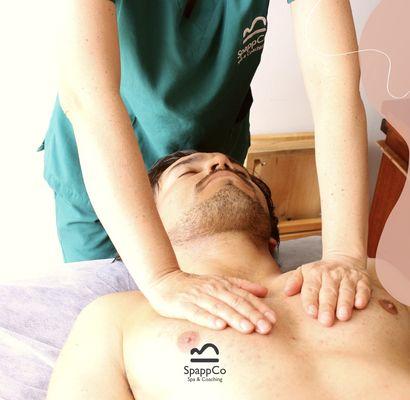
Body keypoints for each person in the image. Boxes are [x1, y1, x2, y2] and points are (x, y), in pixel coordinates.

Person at [37, 0, 370, 332]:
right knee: (107, 318)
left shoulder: (217, 168)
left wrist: (344, 255)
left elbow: (335, 83)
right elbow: (89, 97)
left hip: (210, 136)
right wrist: (162, 277)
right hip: (102, 161)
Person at [45, 150, 409, 400]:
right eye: (188, 171)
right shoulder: (115, 317)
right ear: (147, 228)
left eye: (241, 171)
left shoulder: (367, 272)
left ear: (273, 237)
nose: (220, 161)